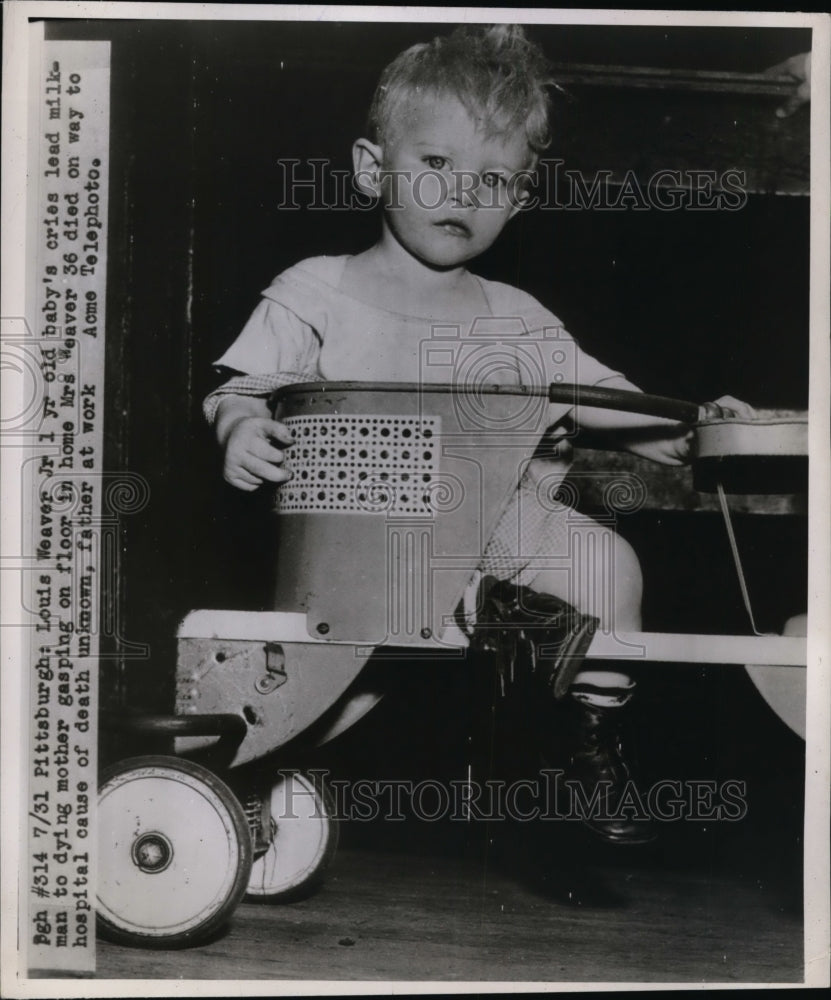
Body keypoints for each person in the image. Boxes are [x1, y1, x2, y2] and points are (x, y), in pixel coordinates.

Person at [204, 24, 753, 844]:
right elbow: (240, 385)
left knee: (606, 562)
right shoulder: (316, 291)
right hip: (362, 536)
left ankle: (587, 741)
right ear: (369, 168)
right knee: (331, 695)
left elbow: (598, 395)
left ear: (521, 200)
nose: (461, 194)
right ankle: (254, 779)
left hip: (497, 522)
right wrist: (242, 425)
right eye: (435, 165)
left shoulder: (516, 318)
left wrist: (687, 424)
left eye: (492, 179)